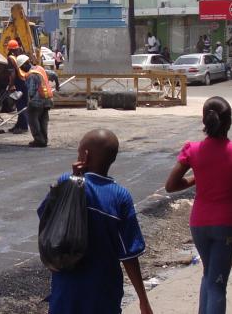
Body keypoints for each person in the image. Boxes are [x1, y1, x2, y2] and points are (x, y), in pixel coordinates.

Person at [164, 97, 232, 314]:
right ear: (228, 123)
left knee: (209, 275)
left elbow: (170, 186)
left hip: (199, 224)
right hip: (227, 224)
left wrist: (196, 178)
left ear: (205, 120)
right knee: (217, 283)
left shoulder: (192, 150)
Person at [40, 129, 153, 314]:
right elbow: (129, 255)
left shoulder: (67, 183)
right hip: (104, 291)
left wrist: (73, 180)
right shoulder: (120, 197)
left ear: (84, 155)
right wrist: (143, 300)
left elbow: (45, 218)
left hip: (66, 289)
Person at [19, 55, 54, 148]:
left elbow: (31, 91)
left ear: (25, 64)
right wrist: (57, 84)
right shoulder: (40, 68)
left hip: (36, 101)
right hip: (47, 100)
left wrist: (28, 102)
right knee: (43, 120)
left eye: (22, 67)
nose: (22, 70)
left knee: (33, 120)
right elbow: (54, 74)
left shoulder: (31, 74)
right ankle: (44, 140)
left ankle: (38, 140)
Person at [5, 40, 29, 135]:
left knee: (20, 105)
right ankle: (19, 125)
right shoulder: (19, 56)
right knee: (22, 104)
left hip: (19, 83)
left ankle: (23, 127)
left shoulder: (10, 58)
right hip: (25, 81)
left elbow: (12, 74)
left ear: (9, 49)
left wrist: (10, 85)